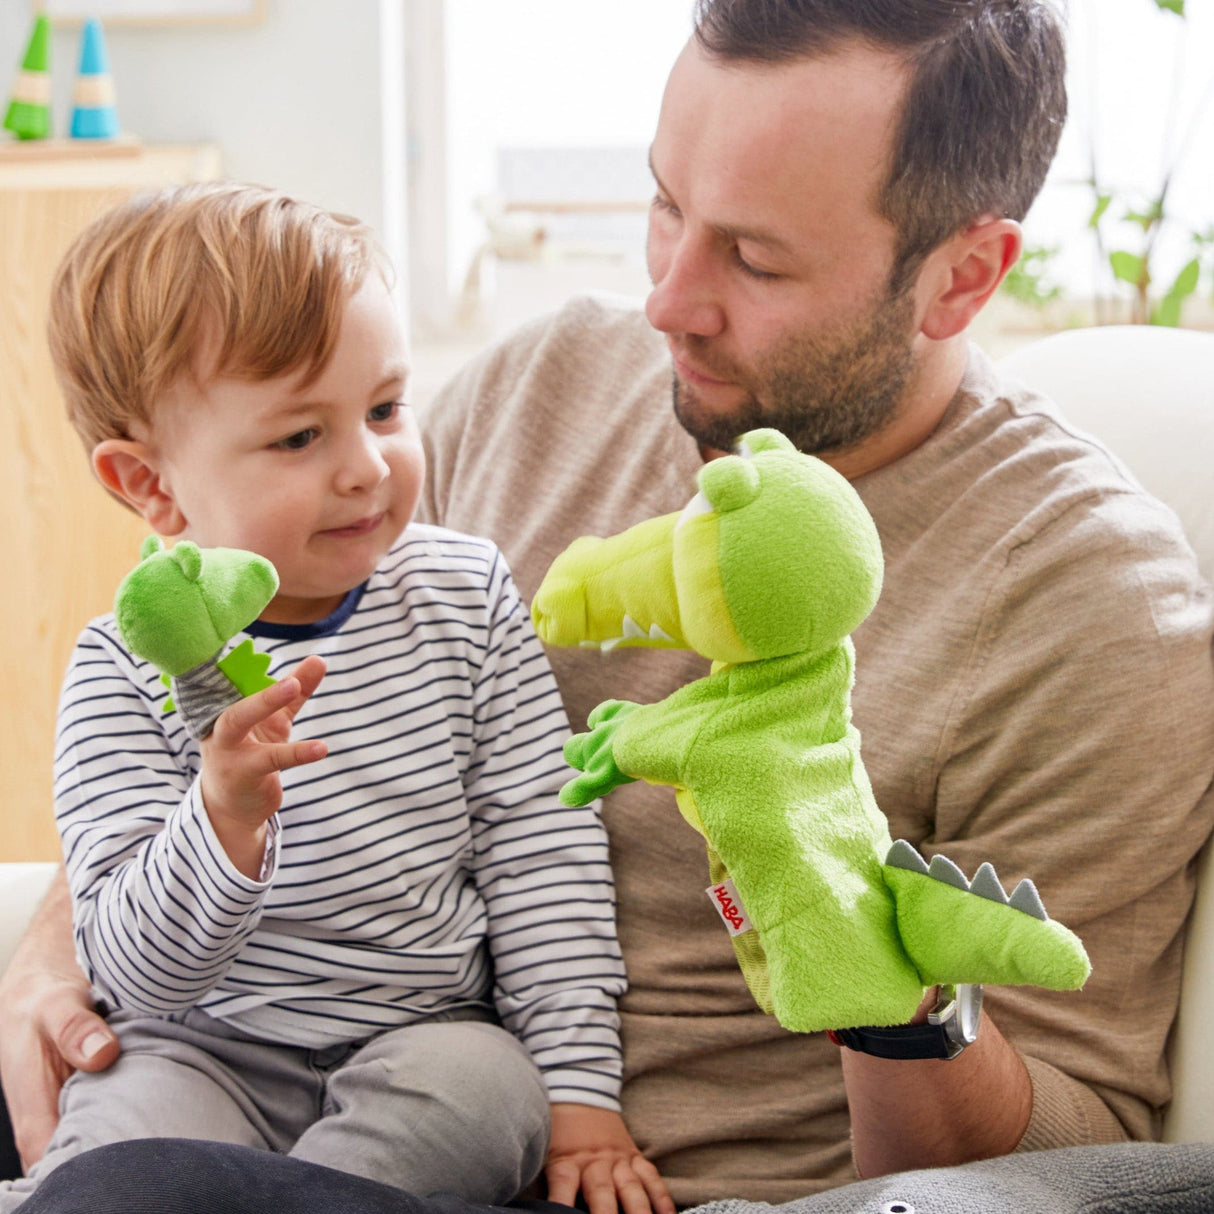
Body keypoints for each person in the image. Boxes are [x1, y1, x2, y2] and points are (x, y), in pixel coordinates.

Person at [4, 0, 1214, 1208]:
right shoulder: (549, 382)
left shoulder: (1089, 603)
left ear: (962, 275)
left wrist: (883, 983)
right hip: (245, 1062)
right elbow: (256, 696)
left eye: (751, 257)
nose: (664, 302)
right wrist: (58, 940)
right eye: (664, 207)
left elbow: (1074, 1160)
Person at [0, 182, 673, 1214]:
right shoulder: (117, 669)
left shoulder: (467, 596)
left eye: (384, 409)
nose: (367, 467)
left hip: (423, 1034)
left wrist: (580, 1091)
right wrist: (219, 822)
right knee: (112, 1156)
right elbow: (135, 969)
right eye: (297, 438)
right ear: (150, 483)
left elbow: (542, 850)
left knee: (490, 1093)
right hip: (201, 1046)